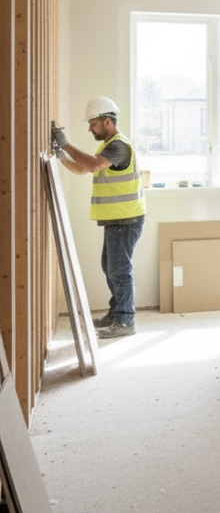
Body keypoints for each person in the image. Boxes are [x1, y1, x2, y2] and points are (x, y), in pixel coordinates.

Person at [52, 96, 146, 339]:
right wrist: (61, 156)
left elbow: (92, 165)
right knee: (110, 267)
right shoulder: (107, 147)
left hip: (126, 219)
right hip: (118, 219)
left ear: (107, 122)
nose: (90, 128)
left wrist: (66, 145)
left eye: (93, 124)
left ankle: (126, 320)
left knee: (119, 270)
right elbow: (84, 169)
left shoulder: (119, 146)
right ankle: (117, 313)